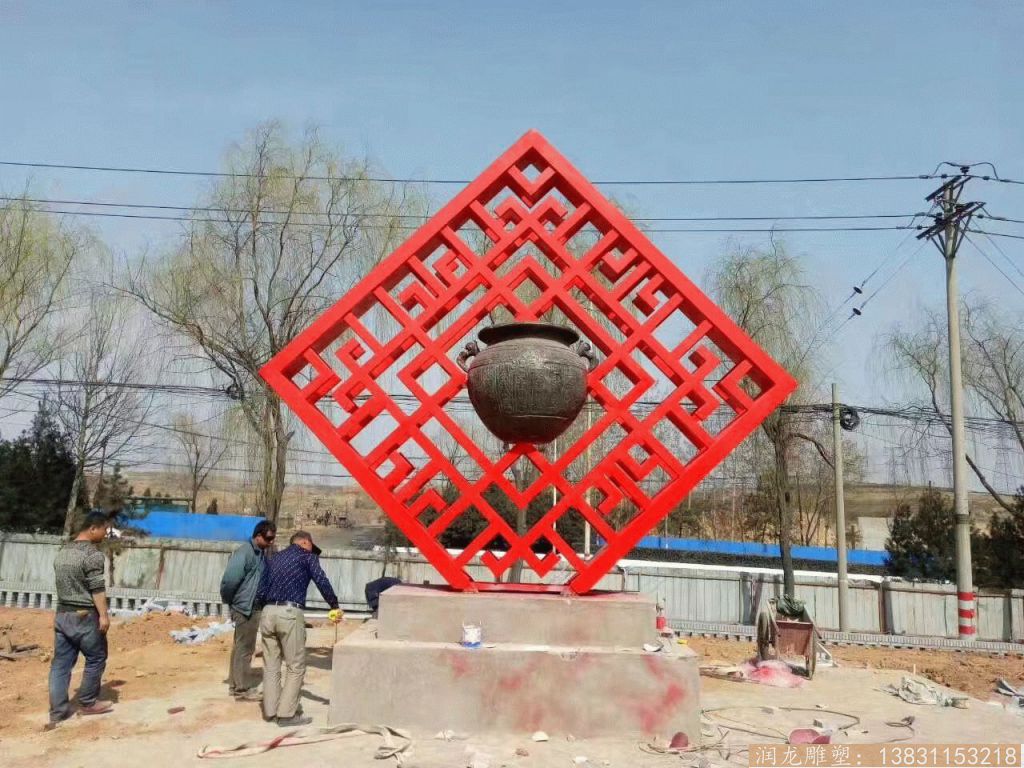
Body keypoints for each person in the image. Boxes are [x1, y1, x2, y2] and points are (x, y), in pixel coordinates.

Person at [256, 530, 340, 726]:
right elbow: (321, 580)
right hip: (289, 613)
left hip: (268, 612)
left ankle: (270, 711)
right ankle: (286, 714)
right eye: (311, 546)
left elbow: (261, 588)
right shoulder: (307, 557)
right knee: (295, 666)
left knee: (271, 666)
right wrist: (334, 604)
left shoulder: (274, 558)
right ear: (305, 542)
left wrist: (264, 607)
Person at [47, 511, 113, 728]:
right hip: (84, 616)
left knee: (60, 664)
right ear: (93, 528)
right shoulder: (92, 555)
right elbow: (97, 588)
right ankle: (88, 702)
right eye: (104, 529)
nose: (105, 534)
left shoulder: (63, 552)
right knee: (96, 657)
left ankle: (57, 712)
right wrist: (103, 615)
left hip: (62, 615)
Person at [219, 519, 276, 700]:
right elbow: (229, 581)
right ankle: (242, 690)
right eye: (268, 538)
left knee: (240, 647)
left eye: (273, 539)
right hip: (245, 608)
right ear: (258, 535)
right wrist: (231, 602)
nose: (271, 542)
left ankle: (235, 684)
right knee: (245, 649)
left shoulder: (259, 554)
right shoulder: (245, 552)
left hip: (250, 606)